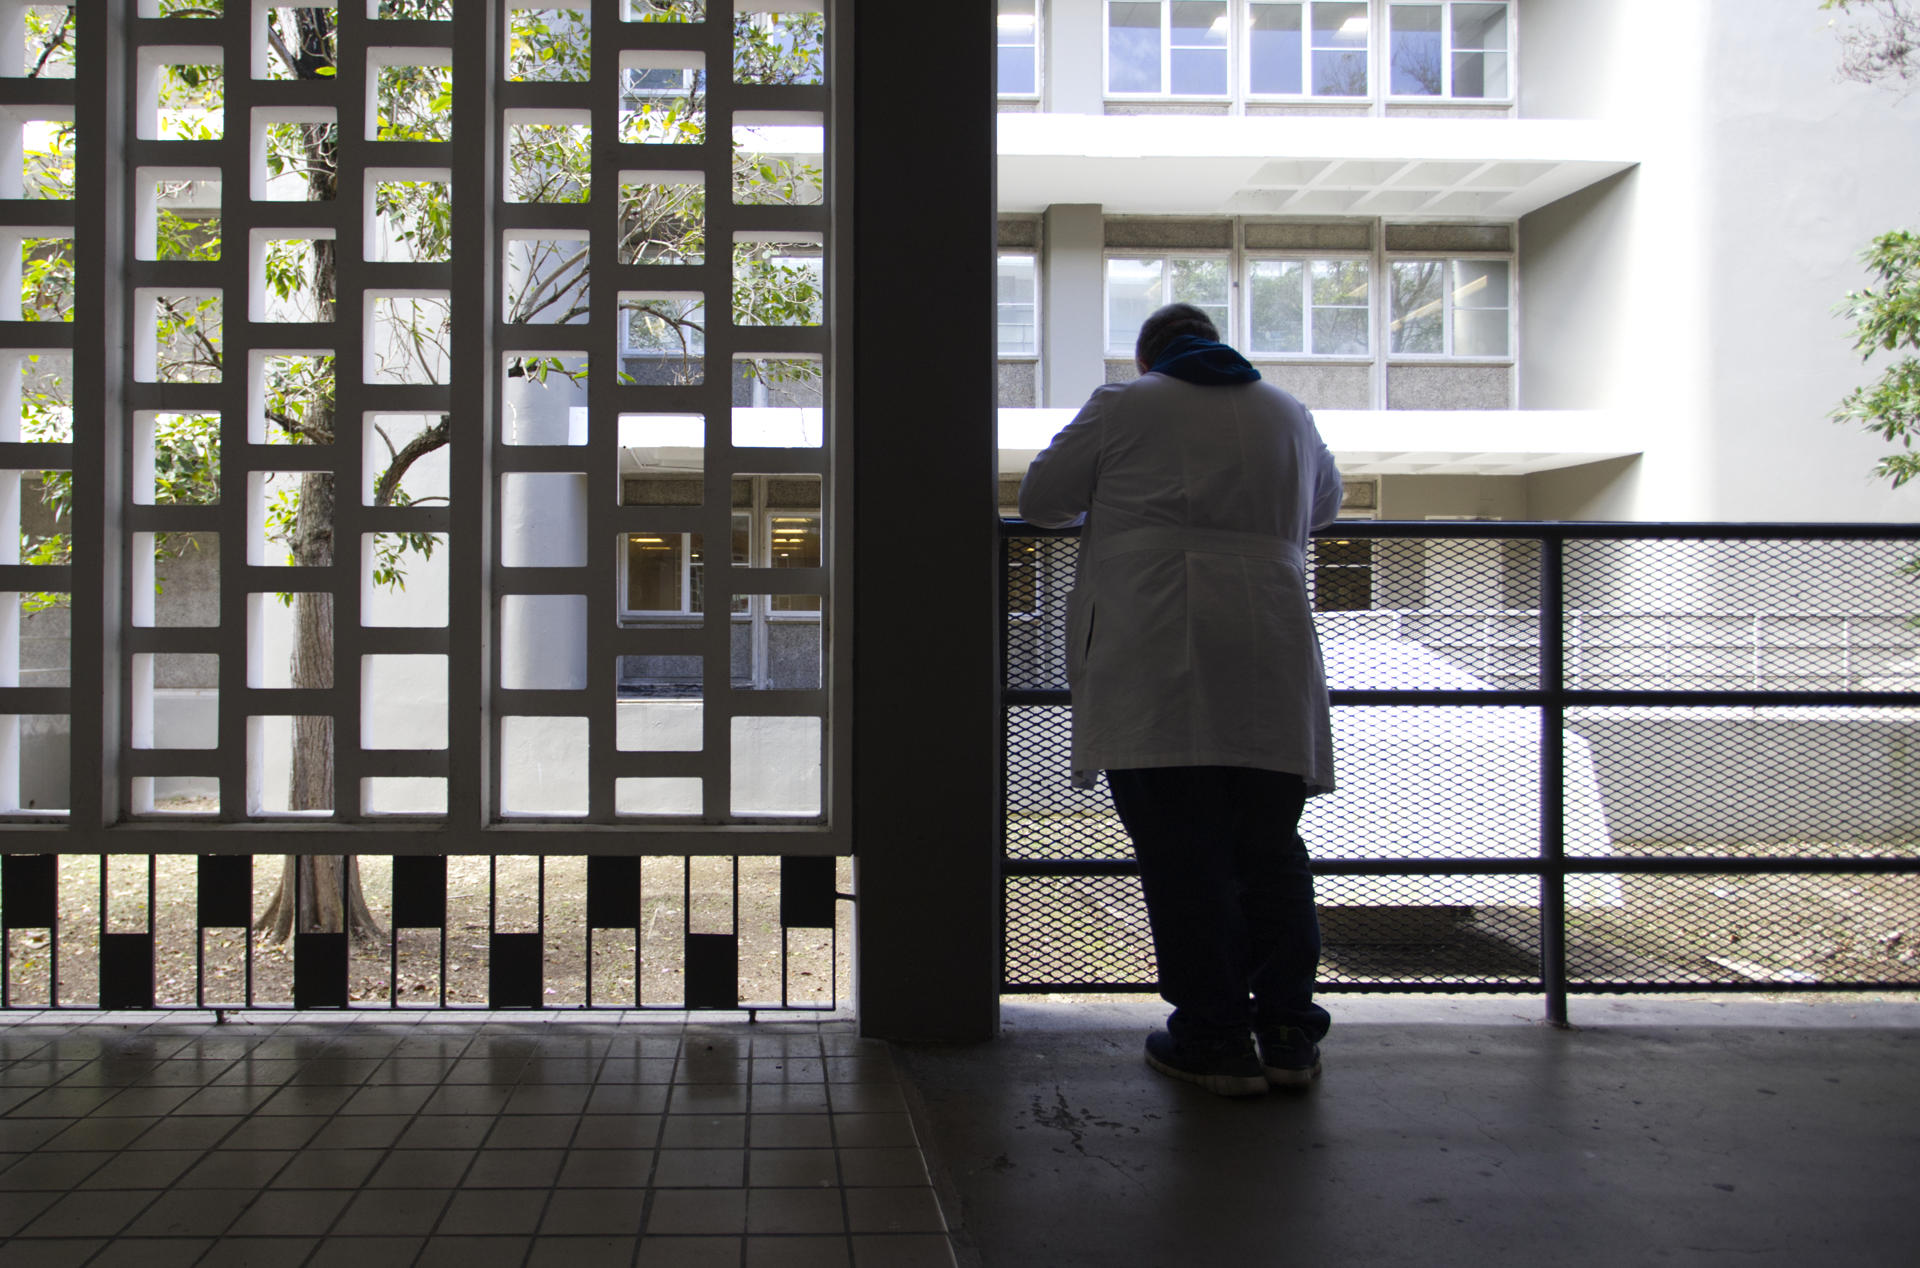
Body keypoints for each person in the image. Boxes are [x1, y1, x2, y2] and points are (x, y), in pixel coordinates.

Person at [1019, 302, 1344, 1097]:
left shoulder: (1125, 404)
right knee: (1270, 851)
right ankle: (1290, 1034)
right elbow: (1325, 506)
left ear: (1147, 358)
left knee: (1183, 852)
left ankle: (1215, 1037)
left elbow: (1041, 501)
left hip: (1155, 655)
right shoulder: (1289, 412)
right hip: (1269, 653)